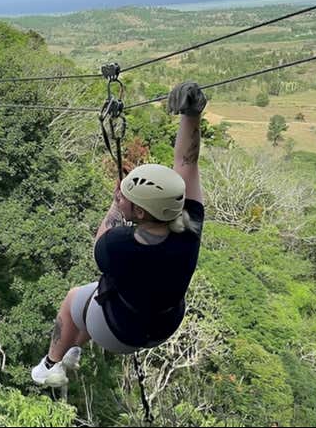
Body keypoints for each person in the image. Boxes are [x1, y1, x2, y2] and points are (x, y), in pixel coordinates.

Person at [32, 81, 208, 387]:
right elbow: (187, 161)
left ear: (139, 213)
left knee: (76, 297)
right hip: (162, 324)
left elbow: (100, 243)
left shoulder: (121, 245)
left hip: (120, 332)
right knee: (94, 298)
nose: (121, 196)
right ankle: (74, 348)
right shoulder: (188, 223)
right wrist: (191, 113)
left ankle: (50, 365)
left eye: (127, 197)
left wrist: (115, 207)